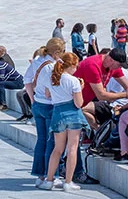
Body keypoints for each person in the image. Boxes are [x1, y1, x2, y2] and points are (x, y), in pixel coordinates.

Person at [38, 52, 86, 191]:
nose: (76, 69)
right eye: (75, 66)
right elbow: (79, 103)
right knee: (72, 148)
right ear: (70, 65)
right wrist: (81, 89)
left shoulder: (53, 79)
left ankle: (49, 180)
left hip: (58, 114)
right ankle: (68, 182)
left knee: (57, 149)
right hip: (73, 115)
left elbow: (47, 95)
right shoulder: (73, 81)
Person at [25, 38, 64, 184]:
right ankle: (51, 175)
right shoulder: (51, 66)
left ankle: (39, 174)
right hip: (49, 105)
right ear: (56, 52)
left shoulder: (37, 61)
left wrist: (32, 99)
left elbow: (27, 80)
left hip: (37, 105)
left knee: (41, 140)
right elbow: (50, 91)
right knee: (51, 141)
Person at [75, 48, 128, 129]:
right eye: (119, 65)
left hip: (82, 102)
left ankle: (98, 130)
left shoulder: (113, 67)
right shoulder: (93, 65)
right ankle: (97, 129)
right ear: (111, 60)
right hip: (71, 102)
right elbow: (101, 95)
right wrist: (126, 95)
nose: (120, 68)